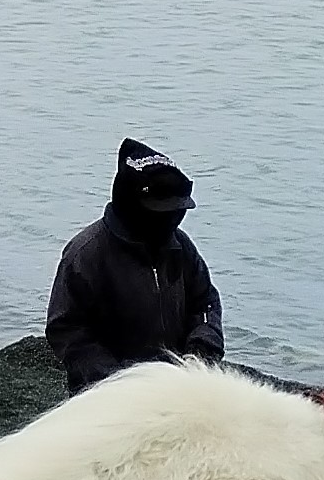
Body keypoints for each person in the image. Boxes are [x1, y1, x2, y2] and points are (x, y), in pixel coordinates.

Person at [45, 139, 223, 393]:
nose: (170, 218)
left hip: (178, 385)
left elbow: (204, 301)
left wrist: (200, 353)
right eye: (161, 209)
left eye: (176, 209)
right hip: (107, 393)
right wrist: (117, 380)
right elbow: (67, 329)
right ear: (132, 204)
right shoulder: (86, 254)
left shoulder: (181, 248)